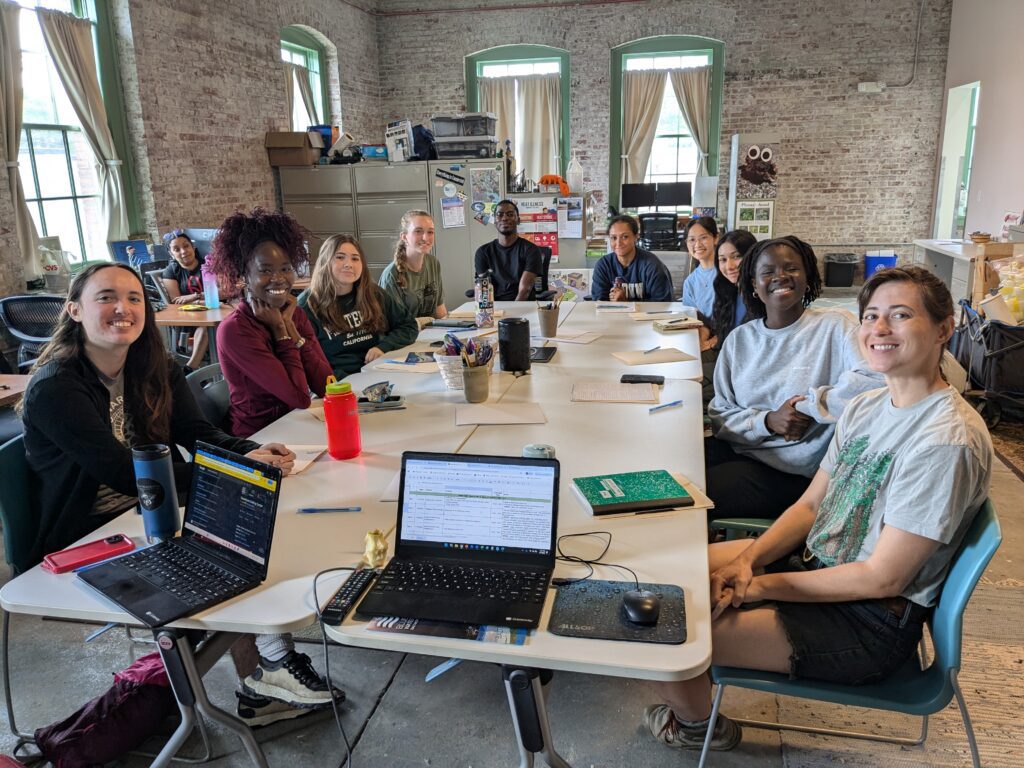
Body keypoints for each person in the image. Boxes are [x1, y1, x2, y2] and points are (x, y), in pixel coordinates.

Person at [644, 265, 992, 754]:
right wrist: (746, 561)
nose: (879, 329)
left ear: (943, 328)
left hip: (867, 621)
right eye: (871, 316)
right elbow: (810, 504)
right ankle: (698, 691)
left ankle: (700, 727)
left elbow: (882, 579)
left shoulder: (944, 441)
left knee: (653, 629)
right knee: (645, 576)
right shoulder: (869, 405)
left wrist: (757, 585)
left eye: (900, 315)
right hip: (816, 565)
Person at [19, 263, 339, 725]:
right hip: (93, 530)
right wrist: (230, 472)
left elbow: (196, 433)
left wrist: (249, 451)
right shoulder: (55, 387)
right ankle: (267, 670)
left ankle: (266, 672)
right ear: (74, 310)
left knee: (256, 527)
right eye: (105, 297)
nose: (123, 308)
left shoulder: (156, 367)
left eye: (133, 298)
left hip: (153, 507)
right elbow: (124, 474)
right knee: (229, 541)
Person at [706, 235, 883, 522]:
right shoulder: (740, 340)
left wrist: (810, 407)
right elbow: (720, 415)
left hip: (794, 475)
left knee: (697, 494)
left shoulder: (835, 326)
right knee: (671, 472)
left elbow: (876, 381)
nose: (781, 277)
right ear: (753, 284)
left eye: (791, 269)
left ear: (807, 275)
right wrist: (768, 421)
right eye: (768, 272)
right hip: (740, 449)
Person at [206, 208, 333, 438]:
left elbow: (326, 387)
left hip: (295, 425)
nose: (279, 279)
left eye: (285, 269)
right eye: (265, 271)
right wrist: (280, 332)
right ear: (244, 277)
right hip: (258, 439)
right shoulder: (235, 330)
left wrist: (292, 330)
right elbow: (300, 398)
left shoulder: (294, 314)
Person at [298, 234, 419, 377]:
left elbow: (408, 325)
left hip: (380, 371)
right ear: (325, 261)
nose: (348, 264)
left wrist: (383, 347)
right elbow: (306, 361)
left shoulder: (374, 293)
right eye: (340, 257)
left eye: (355, 258)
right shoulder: (306, 305)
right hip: (338, 382)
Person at [698, 230, 758, 404]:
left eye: (736, 256)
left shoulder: (760, 298)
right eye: (723, 259)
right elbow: (719, 332)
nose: (729, 266)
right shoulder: (729, 291)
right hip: (723, 358)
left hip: (740, 373)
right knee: (679, 364)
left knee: (685, 385)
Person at [379, 210, 447, 326]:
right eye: (418, 231)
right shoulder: (391, 275)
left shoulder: (433, 263)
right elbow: (395, 326)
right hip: (404, 340)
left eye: (430, 232)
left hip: (430, 335)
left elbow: (439, 310)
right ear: (404, 237)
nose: (425, 238)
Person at [589, 214, 673, 301]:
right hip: (612, 315)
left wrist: (626, 302)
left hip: (647, 315)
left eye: (625, 237)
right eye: (613, 238)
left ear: (636, 237)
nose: (618, 243)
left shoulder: (653, 266)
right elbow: (599, 303)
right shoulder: (603, 265)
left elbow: (662, 305)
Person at [473, 199, 544, 301]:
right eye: (500, 214)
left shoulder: (531, 250)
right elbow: (484, 289)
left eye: (510, 214)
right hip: (494, 308)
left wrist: (513, 314)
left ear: (518, 220)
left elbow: (524, 290)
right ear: (495, 220)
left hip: (522, 307)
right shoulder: (483, 252)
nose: (505, 218)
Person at [159, 228, 208, 372]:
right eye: (176, 249)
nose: (183, 251)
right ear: (171, 254)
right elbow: (177, 301)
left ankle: (190, 370)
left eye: (186, 246)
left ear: (193, 247)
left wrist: (195, 296)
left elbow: (222, 293)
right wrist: (204, 299)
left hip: (214, 312)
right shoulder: (171, 271)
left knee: (208, 325)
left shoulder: (208, 265)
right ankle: (190, 369)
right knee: (205, 326)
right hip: (189, 319)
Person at [680, 216, 719, 317]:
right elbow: (692, 318)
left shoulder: (728, 272)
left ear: (715, 238)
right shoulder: (690, 282)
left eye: (703, 237)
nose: (697, 244)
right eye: (692, 240)